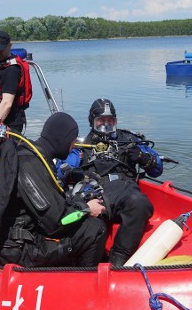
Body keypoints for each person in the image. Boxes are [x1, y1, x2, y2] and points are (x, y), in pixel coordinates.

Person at [0, 112, 107, 268]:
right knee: (94, 229)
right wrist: (86, 208)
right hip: (16, 250)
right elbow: (57, 223)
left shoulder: (35, 154)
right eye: (72, 142)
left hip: (20, 240)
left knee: (85, 224)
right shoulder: (30, 164)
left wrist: (79, 201)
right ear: (62, 140)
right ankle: (85, 284)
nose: (74, 146)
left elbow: (54, 203)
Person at [57, 98, 162, 266]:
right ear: (92, 122)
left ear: (116, 121)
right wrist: (72, 172)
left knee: (140, 203)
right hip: (94, 193)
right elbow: (61, 169)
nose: (106, 125)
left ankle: (118, 259)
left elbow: (157, 168)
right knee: (93, 226)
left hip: (125, 192)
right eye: (101, 121)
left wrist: (143, 157)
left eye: (110, 121)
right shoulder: (80, 146)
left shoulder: (129, 141)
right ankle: (88, 269)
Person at [0, 30, 31, 134]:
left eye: (1, 49)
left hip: (9, 123)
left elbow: (6, 103)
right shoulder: (2, 64)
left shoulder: (11, 70)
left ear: (10, 45)